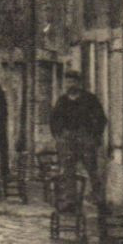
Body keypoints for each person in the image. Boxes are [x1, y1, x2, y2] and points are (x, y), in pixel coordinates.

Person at [49, 70, 108, 213]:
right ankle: (70, 202)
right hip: (68, 140)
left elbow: (101, 119)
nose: (70, 84)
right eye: (68, 81)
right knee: (68, 171)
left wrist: (94, 136)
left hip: (85, 139)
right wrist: (58, 135)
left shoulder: (90, 99)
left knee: (92, 170)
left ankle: (100, 202)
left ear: (79, 83)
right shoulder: (62, 100)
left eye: (73, 81)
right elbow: (54, 119)